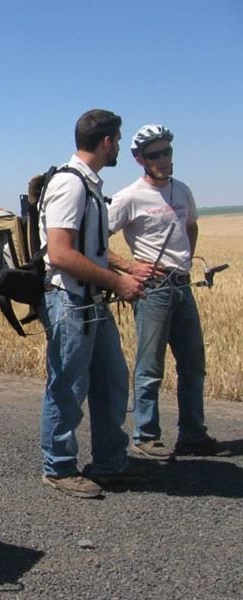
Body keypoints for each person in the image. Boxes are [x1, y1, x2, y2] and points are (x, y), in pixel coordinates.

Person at [38, 109, 148, 498]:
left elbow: (92, 249)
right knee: (67, 386)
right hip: (71, 302)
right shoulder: (71, 186)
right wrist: (118, 281)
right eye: (117, 140)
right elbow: (62, 254)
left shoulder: (88, 185)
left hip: (89, 302)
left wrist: (127, 266)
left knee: (111, 381)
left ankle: (109, 462)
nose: (118, 146)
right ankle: (60, 467)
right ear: (106, 142)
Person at [107, 124, 229, 459]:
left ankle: (192, 434)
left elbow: (191, 225)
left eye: (167, 151)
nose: (164, 159)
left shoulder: (183, 190)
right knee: (150, 366)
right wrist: (129, 267)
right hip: (153, 290)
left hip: (182, 285)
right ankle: (146, 436)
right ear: (140, 159)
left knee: (193, 364)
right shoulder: (129, 196)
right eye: (155, 154)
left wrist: (186, 261)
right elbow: (96, 239)